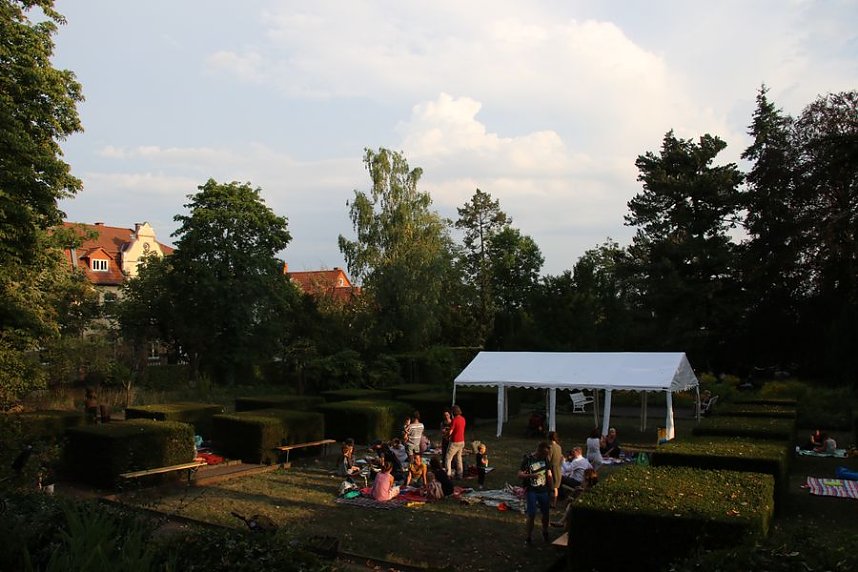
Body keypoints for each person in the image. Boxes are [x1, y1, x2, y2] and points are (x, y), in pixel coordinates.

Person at [518, 442, 553, 545]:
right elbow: (519, 475)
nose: (546, 456)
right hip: (531, 491)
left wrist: (551, 490)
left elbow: (549, 474)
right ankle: (528, 537)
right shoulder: (528, 459)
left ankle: (545, 532)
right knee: (532, 514)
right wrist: (531, 476)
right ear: (539, 451)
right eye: (544, 454)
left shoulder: (545, 459)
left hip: (543, 491)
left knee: (546, 513)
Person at [445, 405, 466, 479]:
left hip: (455, 441)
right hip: (462, 441)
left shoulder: (454, 420)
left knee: (448, 458)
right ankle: (460, 474)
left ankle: (448, 474)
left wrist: (446, 435)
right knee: (459, 458)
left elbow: (451, 431)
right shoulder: (463, 419)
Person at [547, 431, 563, 507]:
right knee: (555, 487)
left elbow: (548, 459)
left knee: (550, 486)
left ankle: (549, 502)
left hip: (552, 469)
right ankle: (554, 503)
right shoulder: (559, 447)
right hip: (558, 469)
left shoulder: (551, 448)